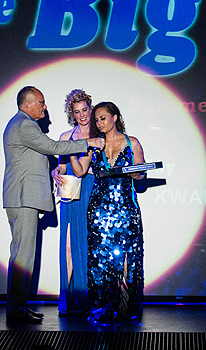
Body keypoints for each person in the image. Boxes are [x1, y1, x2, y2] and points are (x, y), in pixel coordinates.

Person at [2, 86, 105, 322]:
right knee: (22, 256)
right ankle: (16, 309)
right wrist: (87, 143)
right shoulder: (25, 124)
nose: (44, 107)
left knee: (23, 256)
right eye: (41, 102)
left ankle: (18, 307)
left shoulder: (22, 124)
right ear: (28, 104)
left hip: (23, 198)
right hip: (23, 198)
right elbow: (53, 147)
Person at [69, 101, 145, 321]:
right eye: (97, 120)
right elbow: (80, 171)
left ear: (115, 117)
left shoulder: (131, 142)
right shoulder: (95, 145)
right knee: (100, 260)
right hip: (99, 210)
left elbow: (141, 173)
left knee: (126, 259)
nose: (99, 123)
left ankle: (125, 308)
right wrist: (72, 153)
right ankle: (102, 307)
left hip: (126, 209)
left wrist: (134, 173)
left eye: (103, 118)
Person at [51, 89, 95, 315]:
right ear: (72, 114)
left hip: (91, 192)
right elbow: (62, 166)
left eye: (84, 110)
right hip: (70, 193)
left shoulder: (99, 135)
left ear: (90, 108)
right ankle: (68, 300)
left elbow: (88, 169)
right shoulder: (65, 136)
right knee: (68, 247)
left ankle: (88, 300)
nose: (82, 115)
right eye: (77, 112)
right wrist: (55, 173)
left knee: (89, 246)